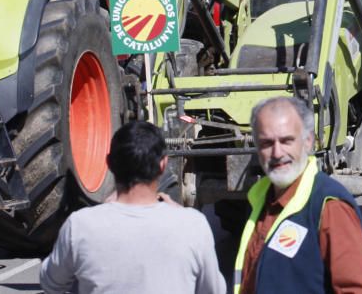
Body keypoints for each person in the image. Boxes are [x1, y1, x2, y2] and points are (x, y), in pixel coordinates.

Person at [39, 122, 225, 294]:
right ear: (163, 164)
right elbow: (214, 290)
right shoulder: (193, 225)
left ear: (109, 163)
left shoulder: (80, 226)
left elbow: (50, 283)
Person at [233, 97, 362, 294]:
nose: (277, 153)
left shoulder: (329, 207)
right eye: (267, 143)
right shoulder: (260, 201)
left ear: (308, 141)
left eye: (287, 140)